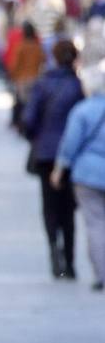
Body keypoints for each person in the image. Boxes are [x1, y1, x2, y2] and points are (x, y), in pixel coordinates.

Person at [23, 39, 85, 279]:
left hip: (46, 154)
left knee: (49, 206)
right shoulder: (79, 86)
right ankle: (69, 261)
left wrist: (35, 137)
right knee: (68, 209)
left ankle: (53, 249)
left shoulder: (43, 84)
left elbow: (30, 119)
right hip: (72, 156)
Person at [52, 71, 105, 291]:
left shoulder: (82, 110)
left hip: (88, 173)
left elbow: (70, 143)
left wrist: (59, 168)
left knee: (95, 224)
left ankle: (102, 273)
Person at [8, 21, 48, 129]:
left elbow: (15, 64)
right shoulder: (37, 47)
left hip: (22, 79)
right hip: (34, 78)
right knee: (31, 103)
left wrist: (13, 75)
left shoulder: (21, 47)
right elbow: (43, 60)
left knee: (21, 103)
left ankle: (20, 124)